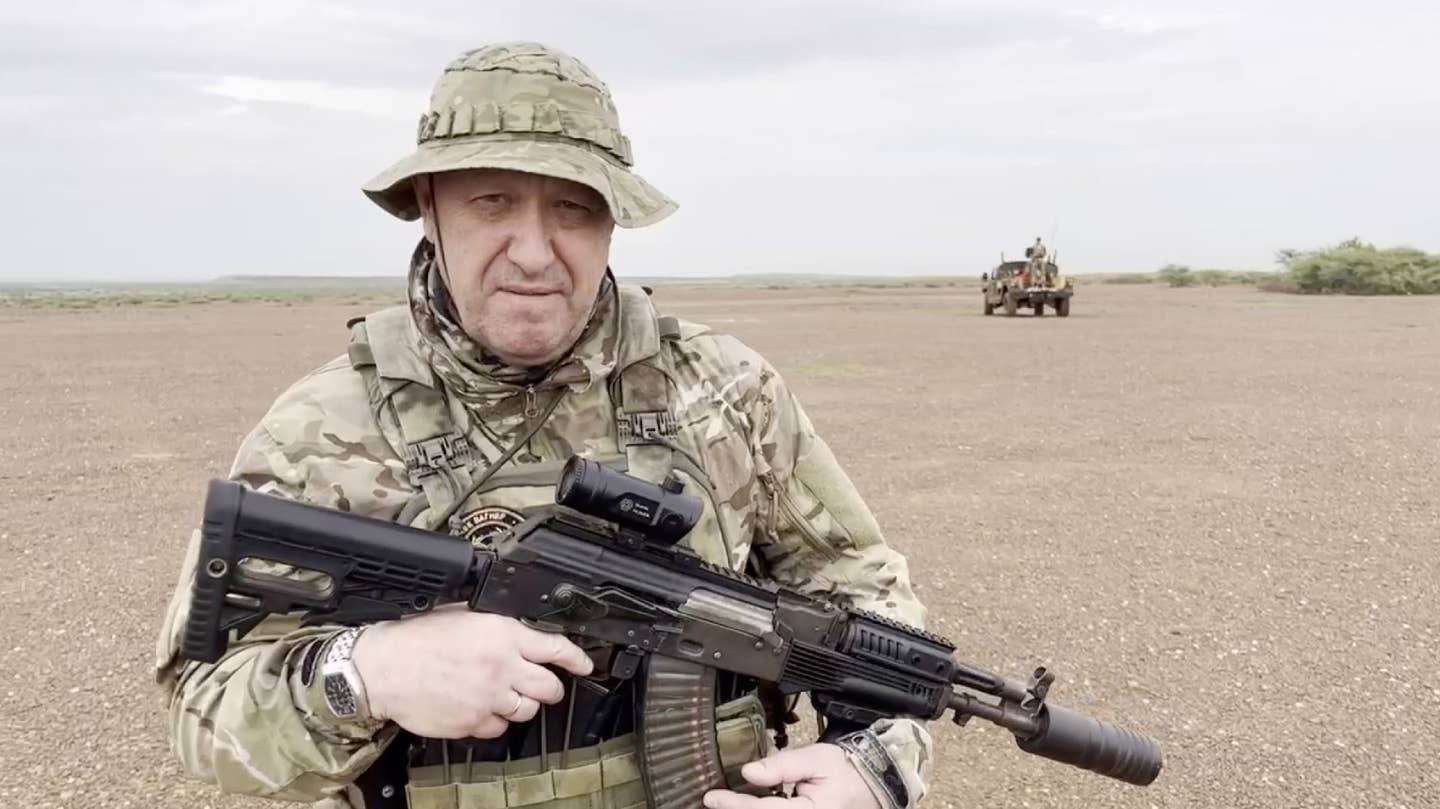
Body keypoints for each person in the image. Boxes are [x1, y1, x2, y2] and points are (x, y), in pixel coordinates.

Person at [154, 42, 933, 809]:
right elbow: (204, 713)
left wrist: (877, 763)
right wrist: (369, 671)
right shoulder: (323, 430)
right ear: (428, 207)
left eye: (572, 208)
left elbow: (860, 587)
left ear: (611, 223)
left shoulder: (727, 392)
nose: (534, 252)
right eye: (492, 201)